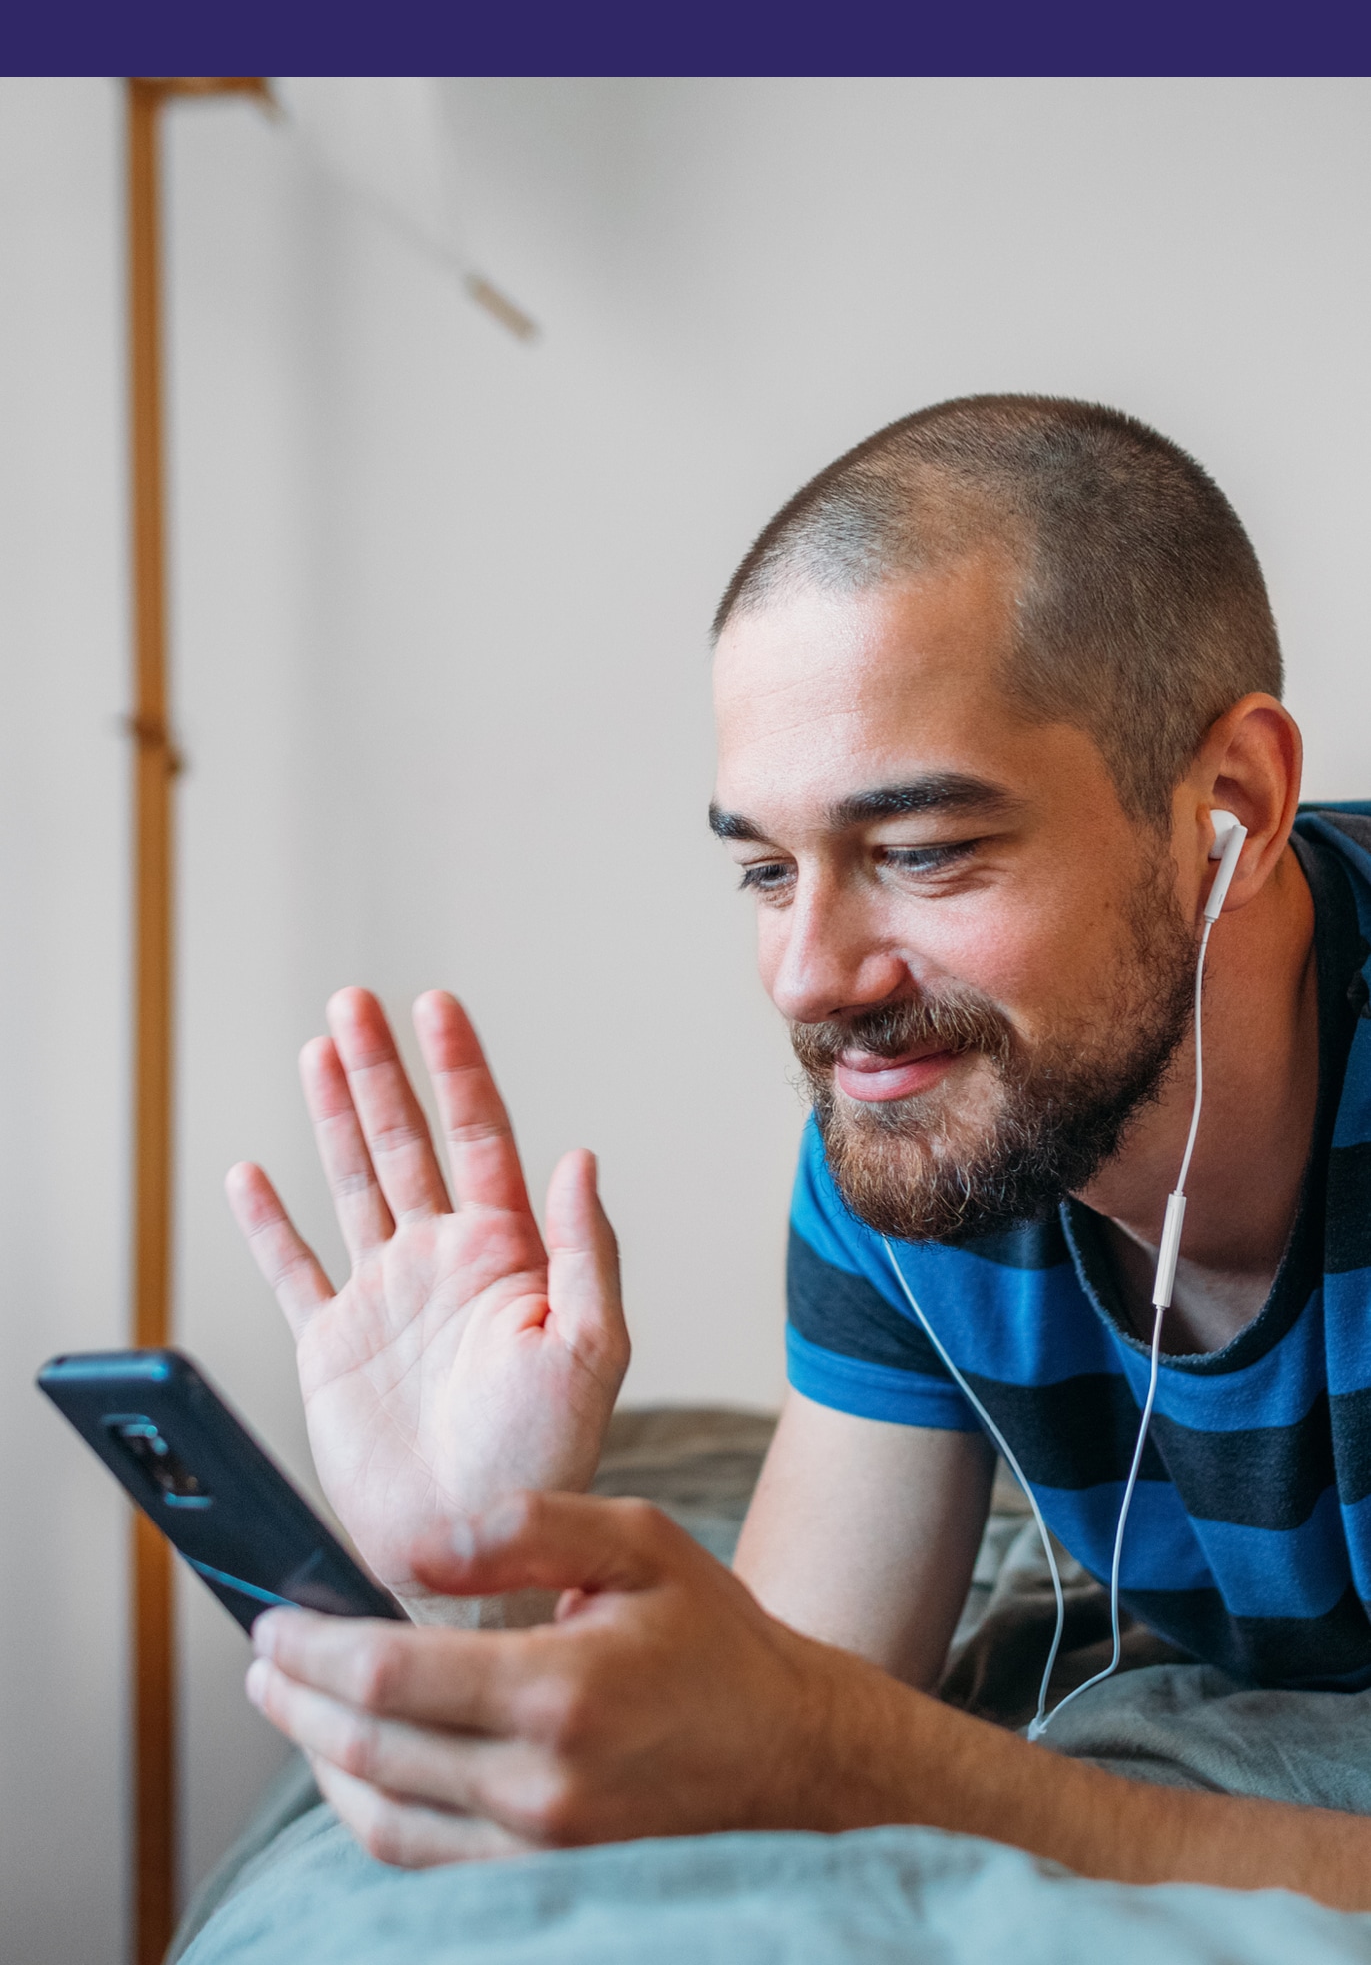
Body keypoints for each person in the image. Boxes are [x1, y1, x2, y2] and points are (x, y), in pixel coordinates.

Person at [226, 395, 1371, 1905]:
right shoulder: (927, 1130)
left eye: (921, 852)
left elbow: (836, 1748)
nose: (809, 979)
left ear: (1233, 804)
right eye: (768, 869)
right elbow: (770, 1728)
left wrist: (883, 1764)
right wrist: (475, 1576)